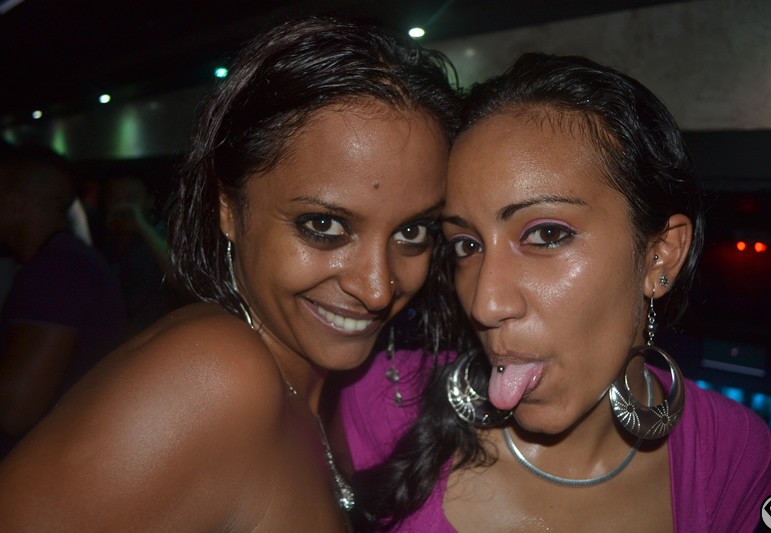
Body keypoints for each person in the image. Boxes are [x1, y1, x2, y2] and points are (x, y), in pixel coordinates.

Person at [0, 17, 459, 531]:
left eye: (413, 232)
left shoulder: (314, 385)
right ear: (228, 208)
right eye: (323, 226)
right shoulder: (216, 375)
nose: (377, 288)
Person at [341, 53, 771, 532]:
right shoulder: (375, 402)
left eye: (547, 235)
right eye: (467, 245)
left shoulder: (733, 454)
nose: (486, 304)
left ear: (660, 255)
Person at [0, 146, 127, 459]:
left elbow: (15, 410)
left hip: (41, 469)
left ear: (15, 204)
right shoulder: (64, 262)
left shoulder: (59, 270)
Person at [98, 171, 187, 336]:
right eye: (115, 199)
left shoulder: (163, 235)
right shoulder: (103, 240)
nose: (123, 205)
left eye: (131, 198)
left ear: (149, 201)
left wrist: (142, 226)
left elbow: (179, 278)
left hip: (159, 337)